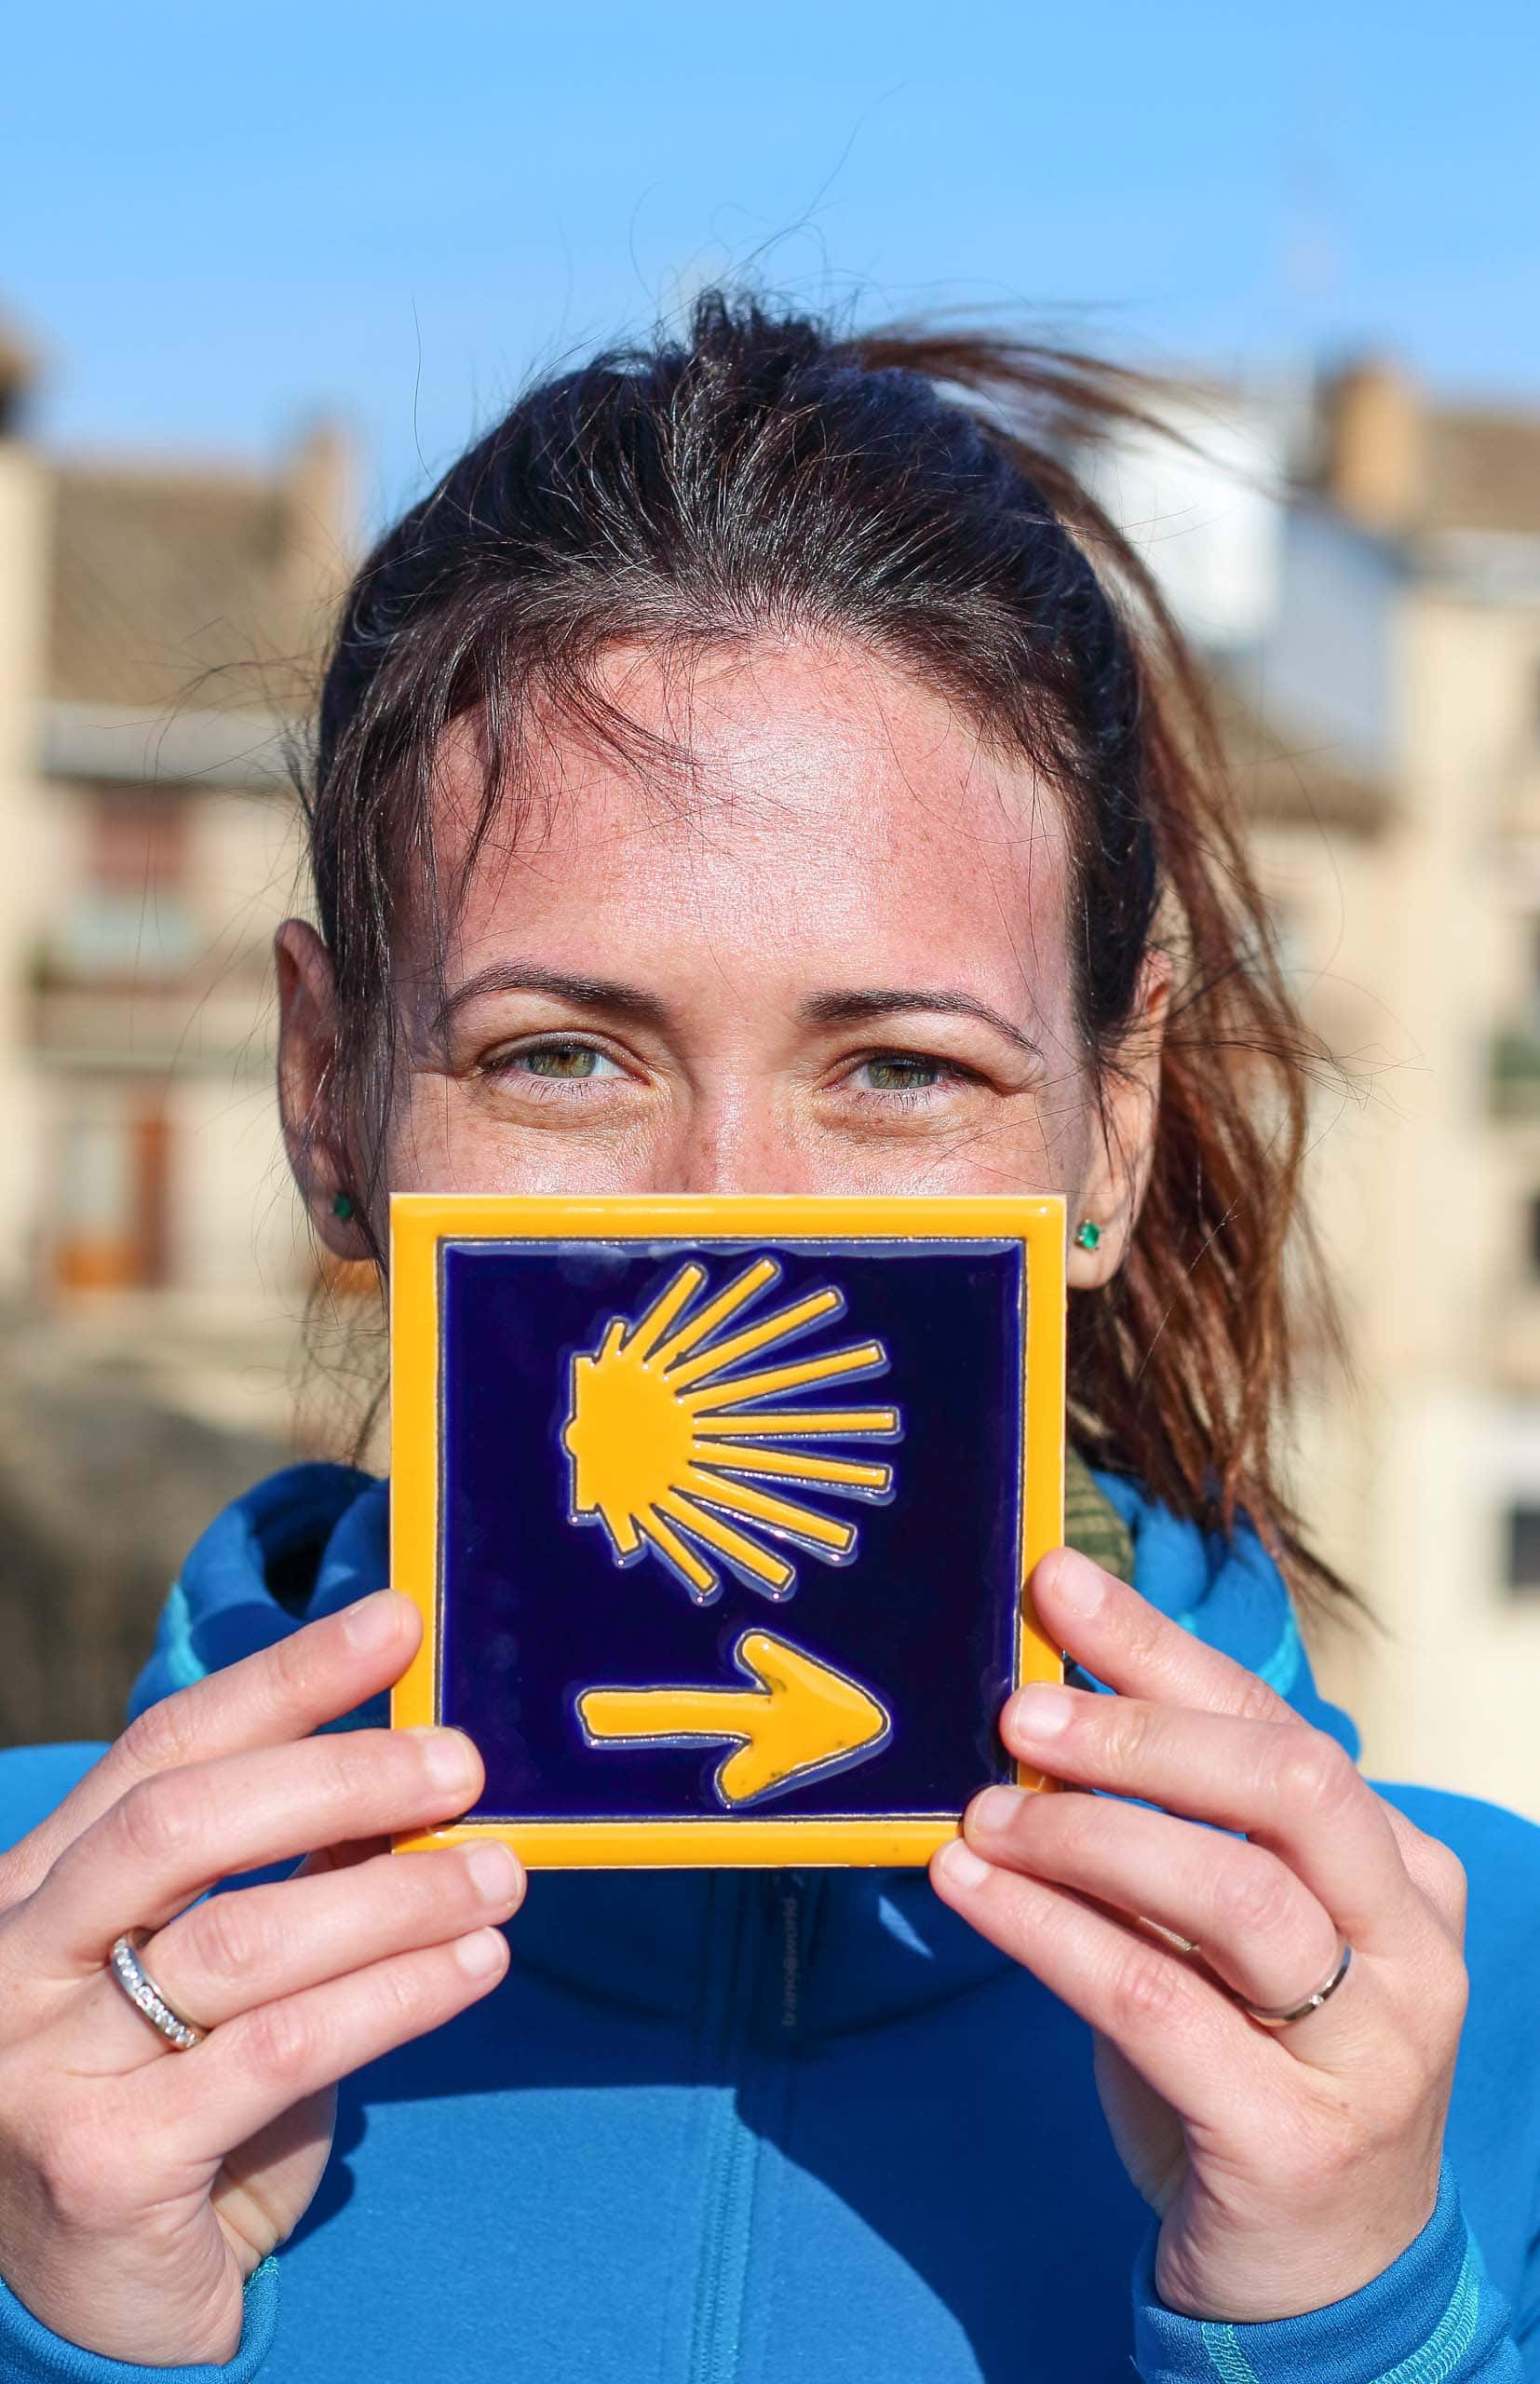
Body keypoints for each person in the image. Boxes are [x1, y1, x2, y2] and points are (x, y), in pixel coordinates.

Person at [1, 291, 1536, 2384]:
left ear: (1117, 1110)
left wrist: (1362, 2326)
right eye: (558, 1053)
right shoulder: (29, 1970)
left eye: (898, 1071)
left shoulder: (1486, 1991)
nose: (728, 1208)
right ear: (324, 1085)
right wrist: (65, 2326)